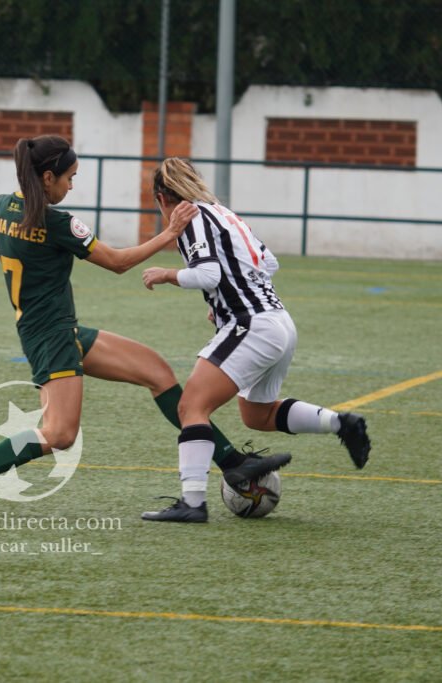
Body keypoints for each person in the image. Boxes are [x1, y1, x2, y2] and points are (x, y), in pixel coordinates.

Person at [0, 135, 291, 519]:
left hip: (62, 331)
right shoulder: (58, 223)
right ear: (48, 177)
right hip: (52, 339)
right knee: (59, 435)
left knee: (158, 373)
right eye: (70, 177)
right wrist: (168, 235)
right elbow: (117, 263)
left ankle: (232, 461)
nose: (71, 185)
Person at [140, 157, 372, 522]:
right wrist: (227, 300)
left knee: (190, 408)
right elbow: (269, 263)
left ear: (160, 198)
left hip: (252, 325)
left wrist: (167, 274)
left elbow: (209, 274)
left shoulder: (191, 218)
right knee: (257, 414)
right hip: (279, 321)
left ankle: (193, 503)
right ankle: (341, 424)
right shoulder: (224, 213)